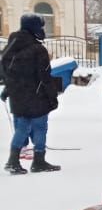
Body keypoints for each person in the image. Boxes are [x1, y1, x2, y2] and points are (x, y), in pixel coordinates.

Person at [1, 13, 61, 174]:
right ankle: (39, 161)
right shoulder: (38, 49)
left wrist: (9, 89)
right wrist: (52, 97)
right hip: (37, 96)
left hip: (17, 95)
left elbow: (7, 73)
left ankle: (13, 161)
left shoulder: (11, 46)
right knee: (40, 128)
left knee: (22, 127)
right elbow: (45, 76)